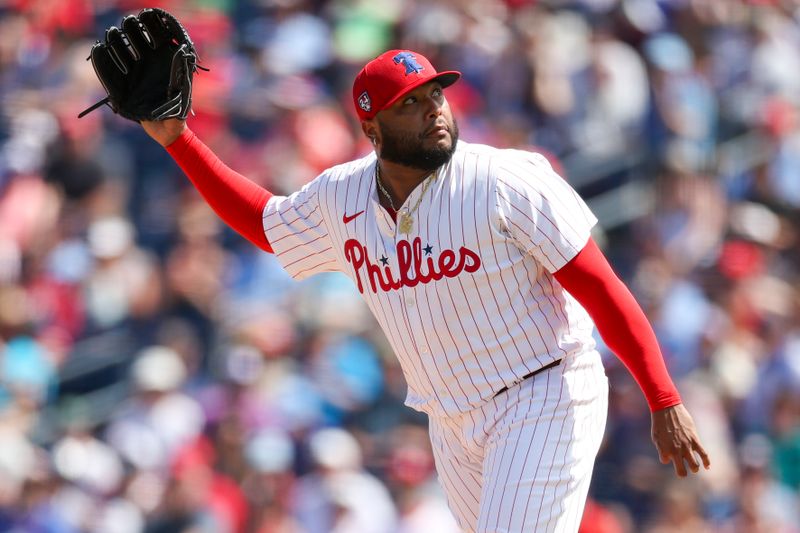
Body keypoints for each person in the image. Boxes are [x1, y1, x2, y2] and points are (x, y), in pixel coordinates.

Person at [141, 49, 710, 533]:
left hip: (543, 392)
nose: (433, 110)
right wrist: (178, 138)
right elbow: (266, 224)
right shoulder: (343, 198)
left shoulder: (504, 180)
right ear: (372, 128)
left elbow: (601, 288)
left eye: (434, 94)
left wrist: (662, 397)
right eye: (409, 104)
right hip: (449, 417)